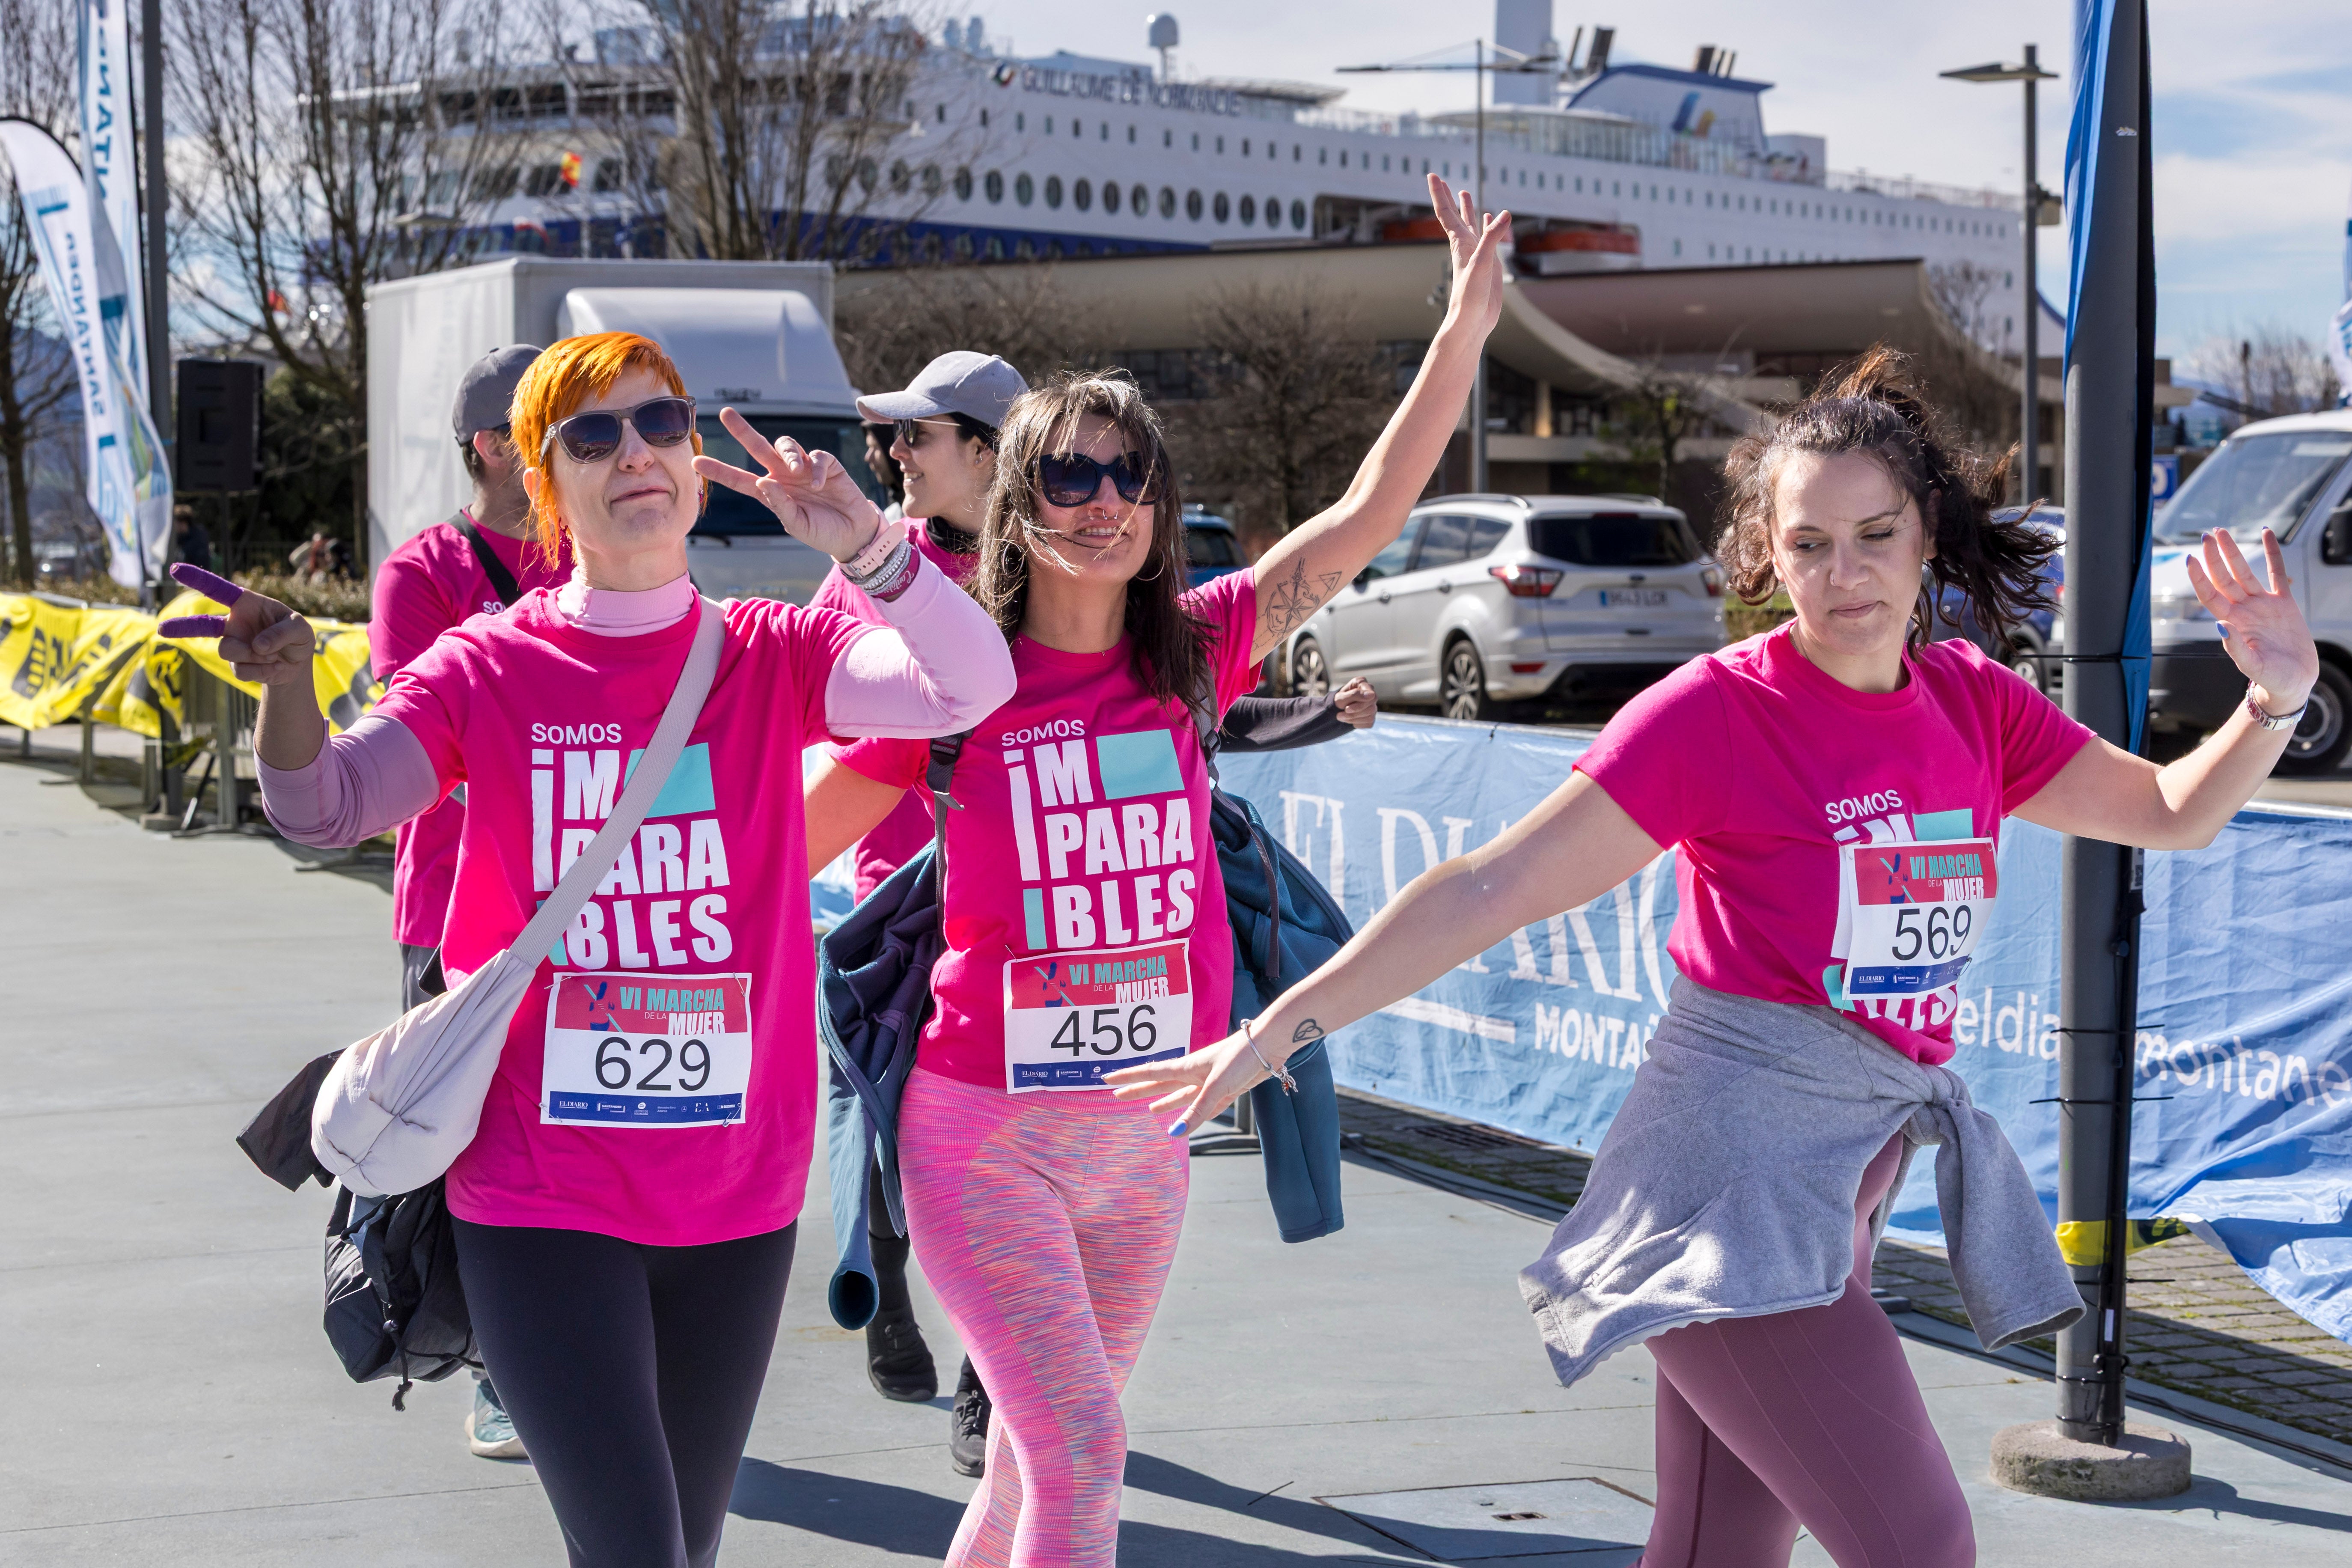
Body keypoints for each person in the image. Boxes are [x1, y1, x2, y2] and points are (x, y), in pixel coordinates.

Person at [1111, 348, 2321, 1568]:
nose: (1843, 574)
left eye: (1875, 535)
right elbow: (1490, 886)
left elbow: (2171, 809)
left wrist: (2271, 699)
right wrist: (1275, 1034)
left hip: (1845, 1181)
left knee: (1715, 1555)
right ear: (1767, 553)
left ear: (1927, 537)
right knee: (1922, 1544)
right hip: (1727, 1186)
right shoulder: (1719, 713)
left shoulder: (1972, 702)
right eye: (1809, 545)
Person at [201, 330, 1016, 1568]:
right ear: (544, 483)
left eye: (662, 425)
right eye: (593, 433)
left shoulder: (771, 650)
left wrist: (869, 547)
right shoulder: (493, 663)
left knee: (681, 1549)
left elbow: (968, 688)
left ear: (694, 462)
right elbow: (327, 808)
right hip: (541, 1191)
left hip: (736, 1198)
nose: (635, 451)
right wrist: (287, 692)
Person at [803, 176, 1508, 1568]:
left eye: (1132, 474)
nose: (1106, 499)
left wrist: (1462, 332)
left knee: (1027, 1470)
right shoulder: (960, 676)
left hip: (1145, 1149)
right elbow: (778, 850)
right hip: (983, 1137)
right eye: (1069, 472)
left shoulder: (1197, 646)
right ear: (1019, 500)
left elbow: (1370, 513)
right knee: (1082, 1461)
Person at [807, 350, 1026, 1429]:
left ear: (987, 452)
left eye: (917, 435)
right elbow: (824, 707)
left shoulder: (1063, 563)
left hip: (1029, 910)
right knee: (883, 1110)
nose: (892, 452)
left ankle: (991, 1376)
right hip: (896, 894)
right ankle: (886, 1281)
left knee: (1008, 1144)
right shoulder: (864, 563)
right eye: (892, 434)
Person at [366, 344, 572, 1460]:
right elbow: (426, 740)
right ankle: (495, 1368)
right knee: (468, 1145)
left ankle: (571, 1349)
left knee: (573, 1135)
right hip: (457, 909)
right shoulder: (425, 572)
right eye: (561, 425)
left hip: (594, 916)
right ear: (496, 445)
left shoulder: (605, 562)